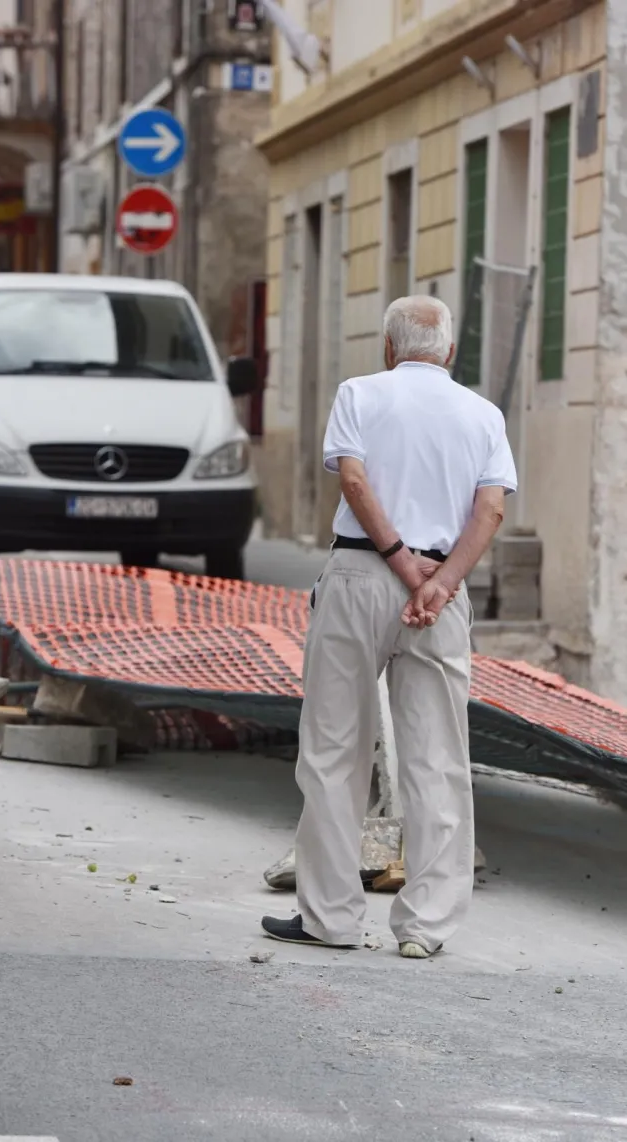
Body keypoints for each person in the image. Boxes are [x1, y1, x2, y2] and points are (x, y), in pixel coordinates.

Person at [261, 295, 517, 958]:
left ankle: (331, 918)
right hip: (440, 591)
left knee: (333, 750)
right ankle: (426, 928)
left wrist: (400, 563)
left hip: (359, 578)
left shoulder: (359, 393)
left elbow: (353, 479)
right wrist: (438, 582)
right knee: (437, 759)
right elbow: (489, 510)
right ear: (451, 353)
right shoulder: (483, 415)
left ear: (388, 348)